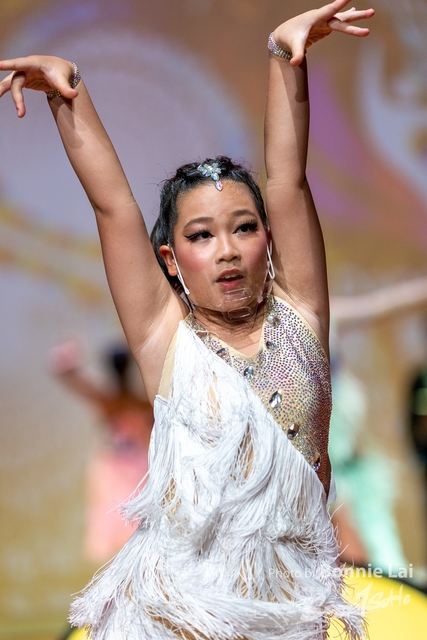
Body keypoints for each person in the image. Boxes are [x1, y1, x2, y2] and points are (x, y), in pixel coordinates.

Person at [0, 2, 374, 638]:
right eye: (201, 235)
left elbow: (287, 181)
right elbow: (114, 207)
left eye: (244, 228)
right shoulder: (165, 338)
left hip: (291, 617)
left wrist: (284, 57)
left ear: (269, 241)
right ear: (170, 259)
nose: (226, 250)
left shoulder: (302, 315)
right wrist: (68, 94)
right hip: (182, 621)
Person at [48, 340, 154, 564]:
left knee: (109, 518)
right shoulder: (143, 401)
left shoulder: (106, 400)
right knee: (139, 522)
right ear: (130, 366)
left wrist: (71, 355)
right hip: (139, 467)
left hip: (112, 468)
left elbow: (65, 375)